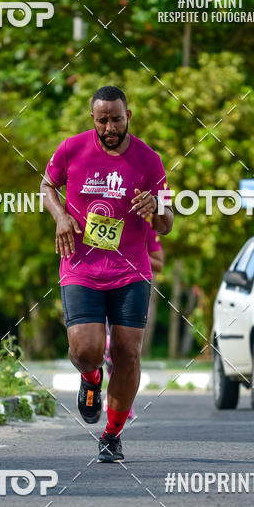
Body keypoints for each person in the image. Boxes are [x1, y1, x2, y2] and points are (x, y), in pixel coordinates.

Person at [40, 84, 174, 462]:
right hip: (80, 267)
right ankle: (90, 377)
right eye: (102, 120)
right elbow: (47, 185)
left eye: (116, 119)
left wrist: (156, 209)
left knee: (128, 352)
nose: (110, 127)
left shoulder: (149, 160)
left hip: (131, 271)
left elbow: (166, 224)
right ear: (93, 119)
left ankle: (112, 434)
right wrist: (61, 216)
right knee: (87, 350)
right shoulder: (72, 148)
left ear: (128, 116)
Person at [104, 223, 164, 417]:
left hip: (132, 289)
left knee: (126, 351)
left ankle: (121, 403)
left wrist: (132, 250)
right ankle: (95, 383)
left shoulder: (146, 226)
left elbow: (159, 263)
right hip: (98, 285)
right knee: (102, 347)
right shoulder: (102, 216)